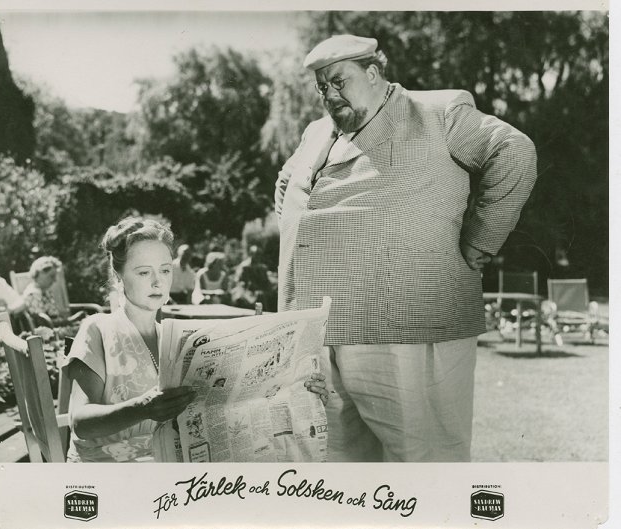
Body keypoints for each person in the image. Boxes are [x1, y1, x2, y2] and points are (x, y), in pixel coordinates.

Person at [275, 35, 537, 462]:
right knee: (338, 470)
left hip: (409, 328)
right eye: (322, 87)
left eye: (339, 81)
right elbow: (287, 184)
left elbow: (514, 153)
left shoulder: (438, 112)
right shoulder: (315, 133)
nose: (329, 94)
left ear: (374, 73)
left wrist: (479, 241)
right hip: (318, 335)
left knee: (424, 462)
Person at [64, 217, 328, 462]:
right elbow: (81, 423)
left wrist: (297, 388)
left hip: (172, 465)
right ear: (119, 277)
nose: (158, 282)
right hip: (112, 469)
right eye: (144, 273)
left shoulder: (182, 341)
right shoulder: (98, 329)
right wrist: (142, 408)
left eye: (165, 271)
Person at [23, 256, 82, 327]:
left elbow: (54, 315)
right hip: (50, 333)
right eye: (51, 276)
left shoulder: (46, 291)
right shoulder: (32, 294)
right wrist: (72, 319)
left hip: (60, 327)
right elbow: (43, 323)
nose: (55, 280)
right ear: (40, 273)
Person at [231, 245, 272, 309]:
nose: (258, 256)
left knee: (264, 297)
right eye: (256, 254)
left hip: (259, 291)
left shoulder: (262, 268)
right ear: (251, 254)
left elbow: (266, 282)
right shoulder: (244, 266)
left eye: (259, 254)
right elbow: (238, 281)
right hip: (246, 290)